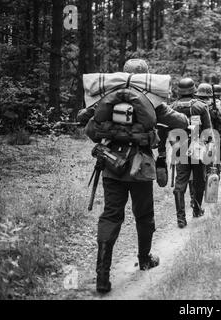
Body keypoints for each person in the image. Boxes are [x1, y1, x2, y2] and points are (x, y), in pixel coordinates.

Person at [80, 59, 189, 293]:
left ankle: (102, 275)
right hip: (140, 167)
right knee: (144, 215)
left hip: (111, 164)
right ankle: (144, 259)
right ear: (145, 76)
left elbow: (84, 119)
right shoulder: (150, 100)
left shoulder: (109, 97)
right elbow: (179, 121)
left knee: (110, 216)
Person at [170, 78, 212, 229]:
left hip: (179, 148)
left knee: (180, 182)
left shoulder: (172, 107)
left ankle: (181, 219)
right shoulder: (201, 106)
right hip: (198, 148)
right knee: (199, 180)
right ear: (194, 90)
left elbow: (165, 130)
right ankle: (197, 209)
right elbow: (208, 131)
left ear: (179, 91)